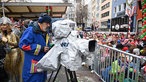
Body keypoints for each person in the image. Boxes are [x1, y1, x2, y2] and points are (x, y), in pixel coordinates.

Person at [19, 13, 52, 82]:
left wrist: (49, 47)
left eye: (49, 23)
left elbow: (45, 44)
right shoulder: (31, 31)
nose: (48, 25)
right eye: (47, 23)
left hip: (41, 65)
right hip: (32, 67)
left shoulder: (45, 32)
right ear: (40, 22)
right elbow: (23, 45)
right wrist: (41, 48)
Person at [0, 17, 23, 82]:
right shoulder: (2, 34)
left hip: (14, 51)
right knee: (7, 68)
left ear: (8, 25)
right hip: (7, 53)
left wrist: (7, 41)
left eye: (5, 25)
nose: (3, 26)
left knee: (15, 69)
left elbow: (16, 43)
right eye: (2, 25)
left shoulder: (13, 33)